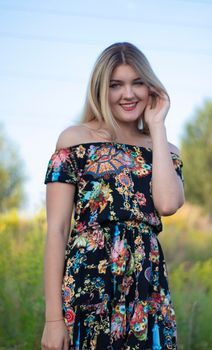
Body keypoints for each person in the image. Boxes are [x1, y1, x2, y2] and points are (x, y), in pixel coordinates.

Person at [41, 42, 185, 350]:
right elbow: (56, 230)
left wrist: (157, 126)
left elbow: (168, 204)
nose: (128, 94)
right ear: (100, 90)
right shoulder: (76, 141)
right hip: (88, 288)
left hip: (147, 292)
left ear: (151, 88)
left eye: (137, 83)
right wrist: (53, 320)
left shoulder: (165, 149)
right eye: (116, 85)